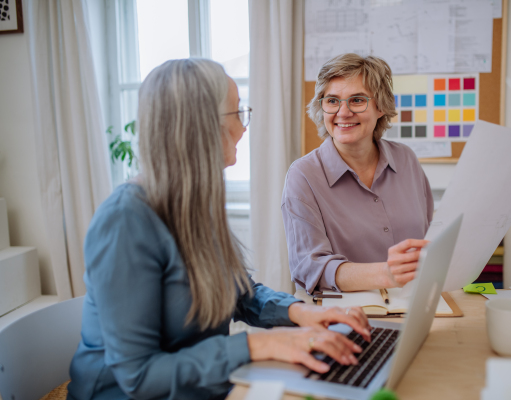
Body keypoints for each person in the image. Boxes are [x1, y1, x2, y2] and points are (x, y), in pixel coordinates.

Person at [67, 58, 371, 400]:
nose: (243, 128)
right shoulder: (124, 222)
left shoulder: (193, 202)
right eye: (237, 113)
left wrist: (303, 313)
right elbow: (139, 377)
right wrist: (258, 344)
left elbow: (240, 294)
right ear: (200, 126)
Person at [282, 53, 434, 295]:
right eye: (332, 101)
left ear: (381, 107)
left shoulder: (406, 160)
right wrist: (385, 274)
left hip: (416, 304)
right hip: (345, 316)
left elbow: (430, 235)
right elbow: (309, 267)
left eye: (357, 100)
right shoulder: (304, 175)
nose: (343, 112)